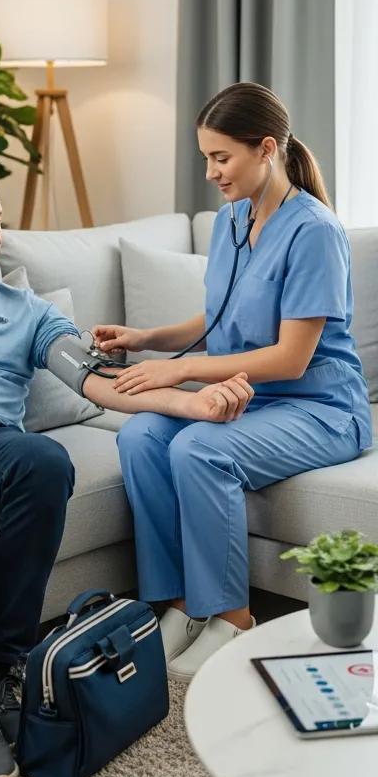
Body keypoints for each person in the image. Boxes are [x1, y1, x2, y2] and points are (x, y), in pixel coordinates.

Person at [0, 158, 255, 777]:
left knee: (48, 462)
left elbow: (95, 380)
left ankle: (7, 666)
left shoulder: (25, 310)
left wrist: (189, 400)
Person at [94, 82, 372, 682]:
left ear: (266, 148)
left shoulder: (315, 231)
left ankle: (232, 617)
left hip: (320, 406)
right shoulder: (230, 222)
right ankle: (174, 603)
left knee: (200, 447)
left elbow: (292, 358)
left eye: (222, 158)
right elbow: (220, 317)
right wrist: (144, 338)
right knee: (141, 436)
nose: (211, 172)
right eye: (206, 159)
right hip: (252, 397)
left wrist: (184, 369)